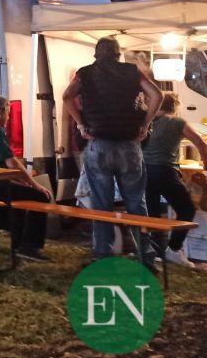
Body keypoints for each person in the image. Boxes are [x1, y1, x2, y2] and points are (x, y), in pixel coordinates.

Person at [63, 36, 163, 267]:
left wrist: (81, 124)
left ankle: (104, 256)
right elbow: (157, 95)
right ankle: (146, 257)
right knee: (136, 203)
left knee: (102, 204)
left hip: (98, 144)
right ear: (118, 54)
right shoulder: (132, 71)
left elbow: (67, 96)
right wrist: (145, 125)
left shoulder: (85, 73)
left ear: (96, 54)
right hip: (129, 145)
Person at [0, 95, 54, 262]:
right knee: (41, 196)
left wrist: (20, 180)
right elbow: (12, 162)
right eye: (8, 112)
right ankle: (30, 247)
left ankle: (18, 244)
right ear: (0, 112)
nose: (9, 117)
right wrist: (34, 184)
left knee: (20, 198)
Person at [144, 91, 207, 268]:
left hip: (144, 172)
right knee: (187, 209)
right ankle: (174, 249)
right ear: (175, 106)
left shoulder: (147, 121)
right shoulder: (178, 122)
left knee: (153, 214)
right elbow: (200, 143)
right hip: (165, 171)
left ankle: (156, 252)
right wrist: (205, 163)